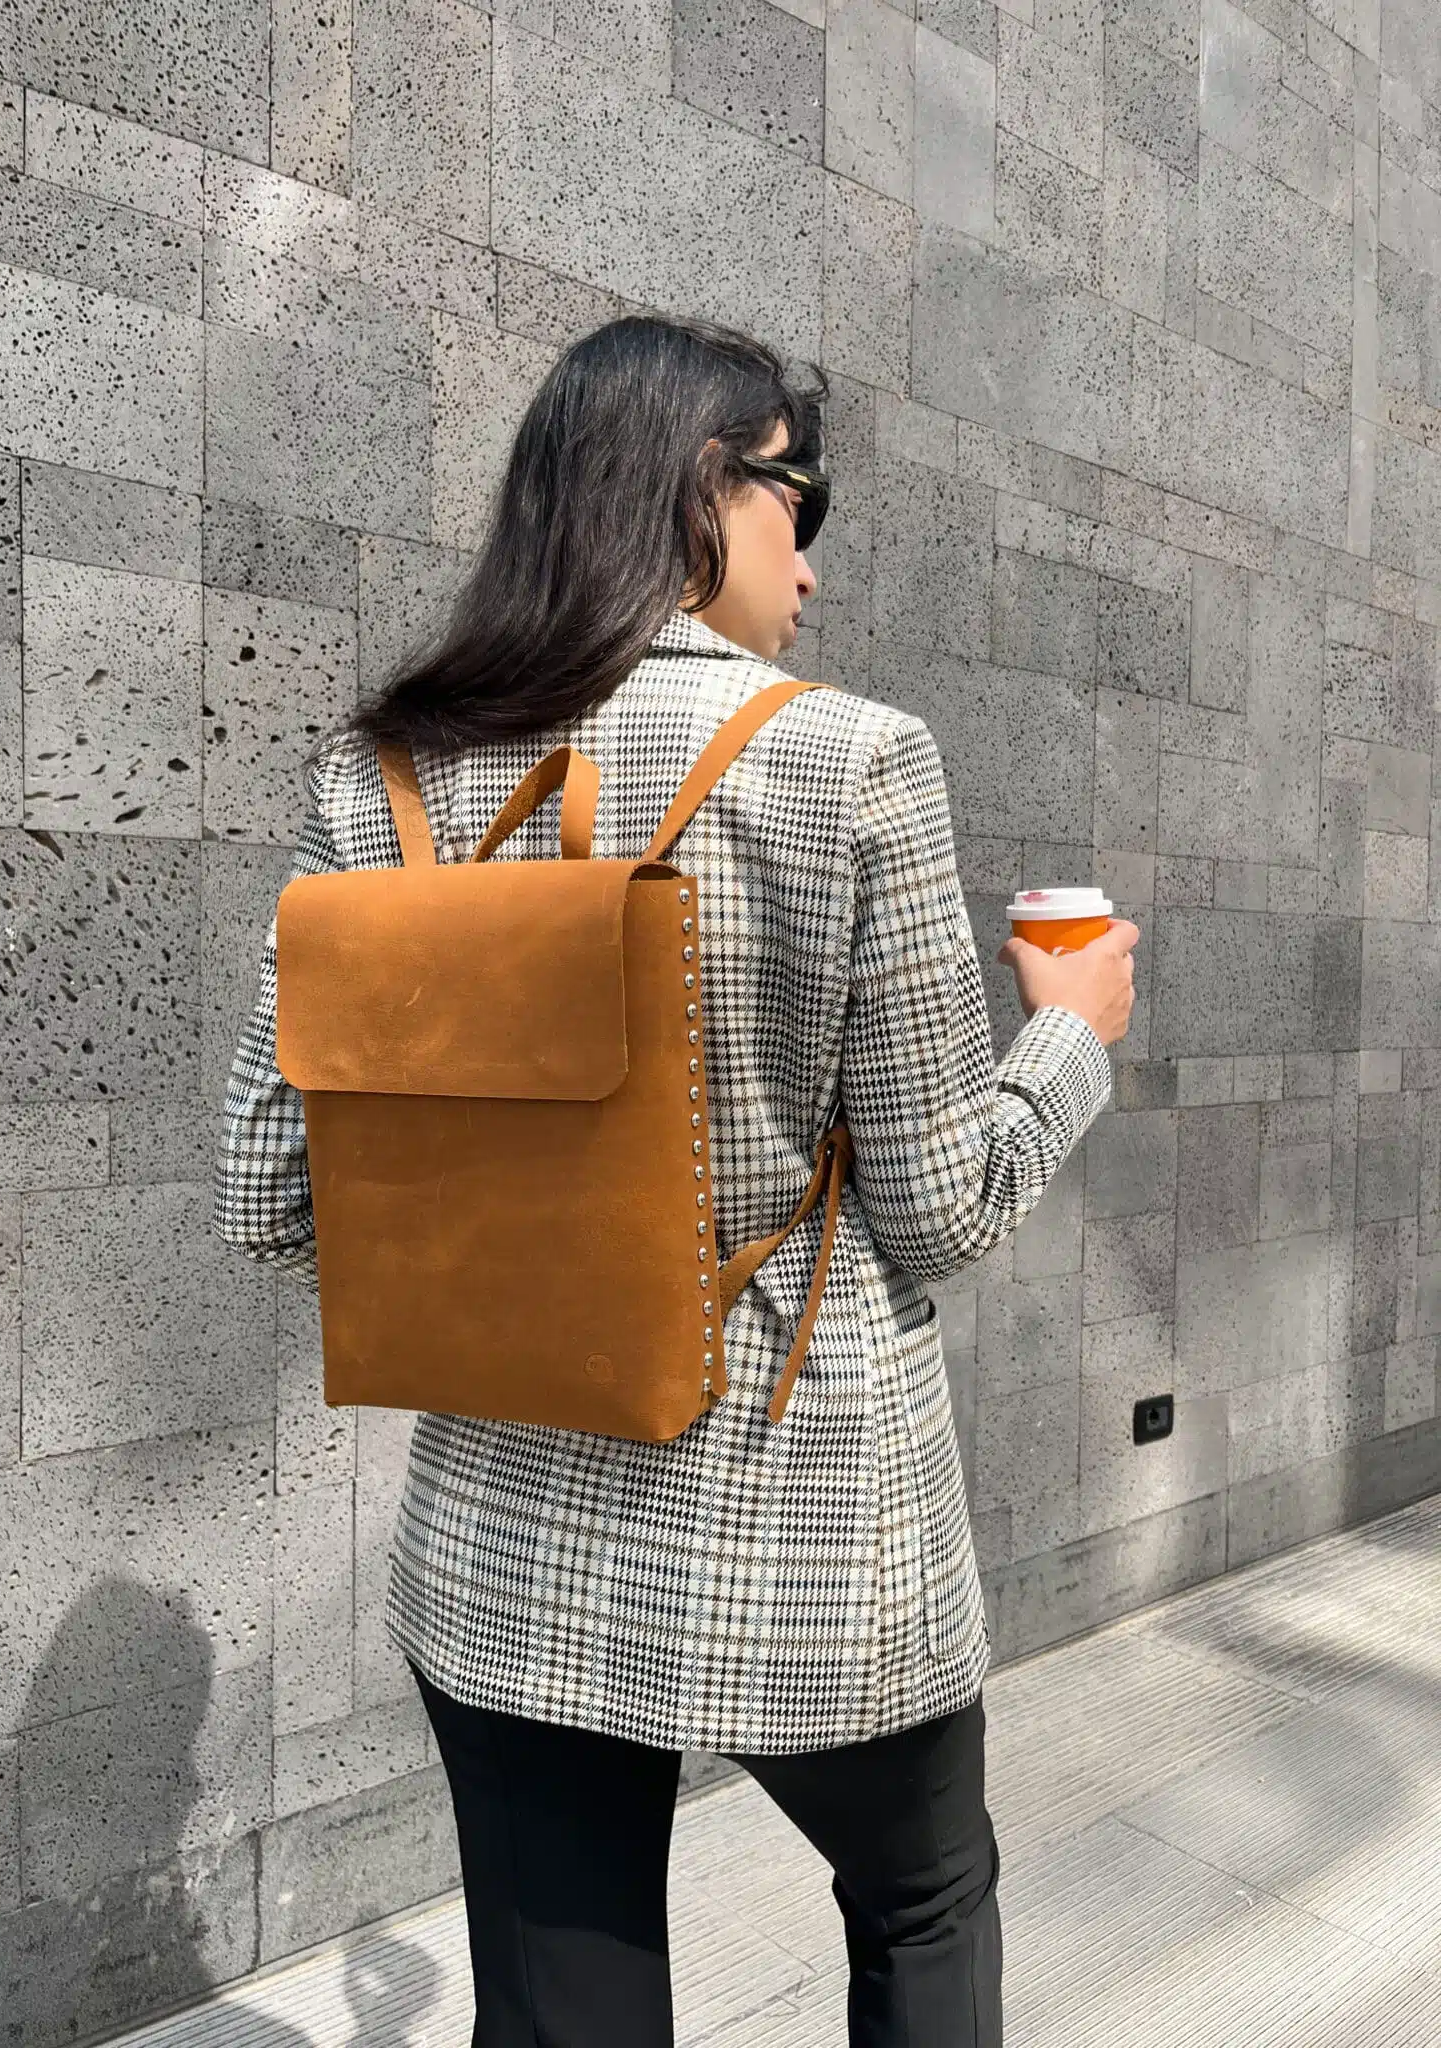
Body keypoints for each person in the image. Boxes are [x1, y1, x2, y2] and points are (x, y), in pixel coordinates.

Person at [212, 313, 1139, 2047]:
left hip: (502, 1534)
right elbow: (946, 1203)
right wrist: (1071, 1034)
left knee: (565, 2004)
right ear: (709, 485)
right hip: (808, 1526)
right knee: (924, 1902)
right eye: (806, 499)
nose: (815, 562)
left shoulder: (382, 776)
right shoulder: (852, 759)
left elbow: (271, 1201)